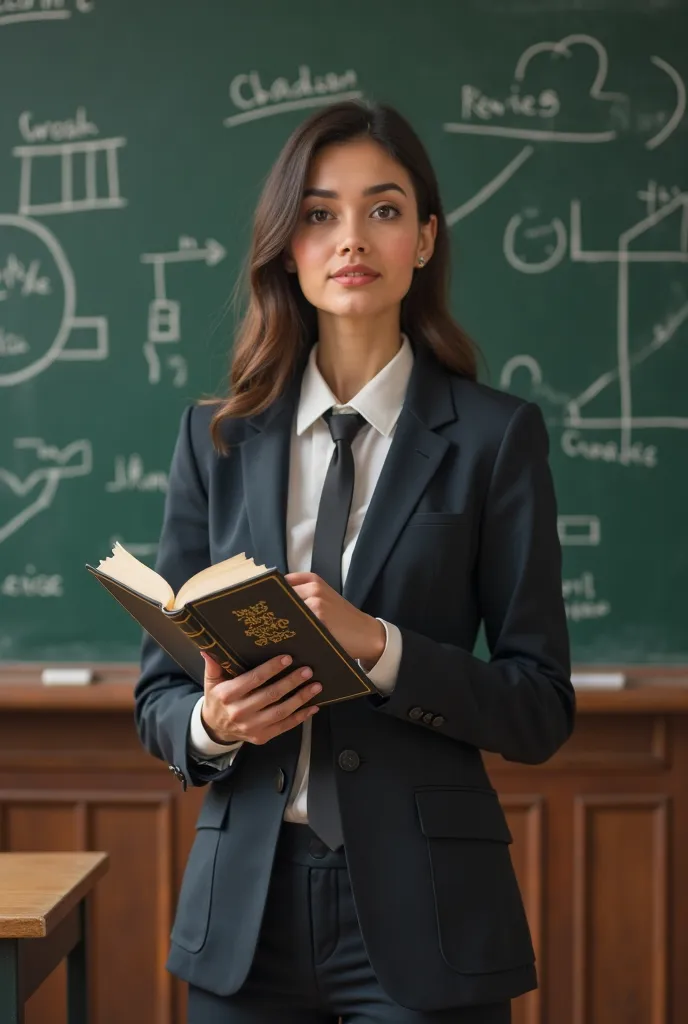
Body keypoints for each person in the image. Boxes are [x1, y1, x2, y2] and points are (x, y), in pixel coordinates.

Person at [134, 99, 574, 1024]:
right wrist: (213, 723)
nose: (351, 238)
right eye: (320, 214)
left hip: (431, 913)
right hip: (244, 918)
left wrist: (379, 646)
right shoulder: (216, 440)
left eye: (383, 209)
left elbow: (539, 708)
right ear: (287, 247)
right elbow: (157, 701)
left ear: (423, 240)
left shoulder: (497, 439)